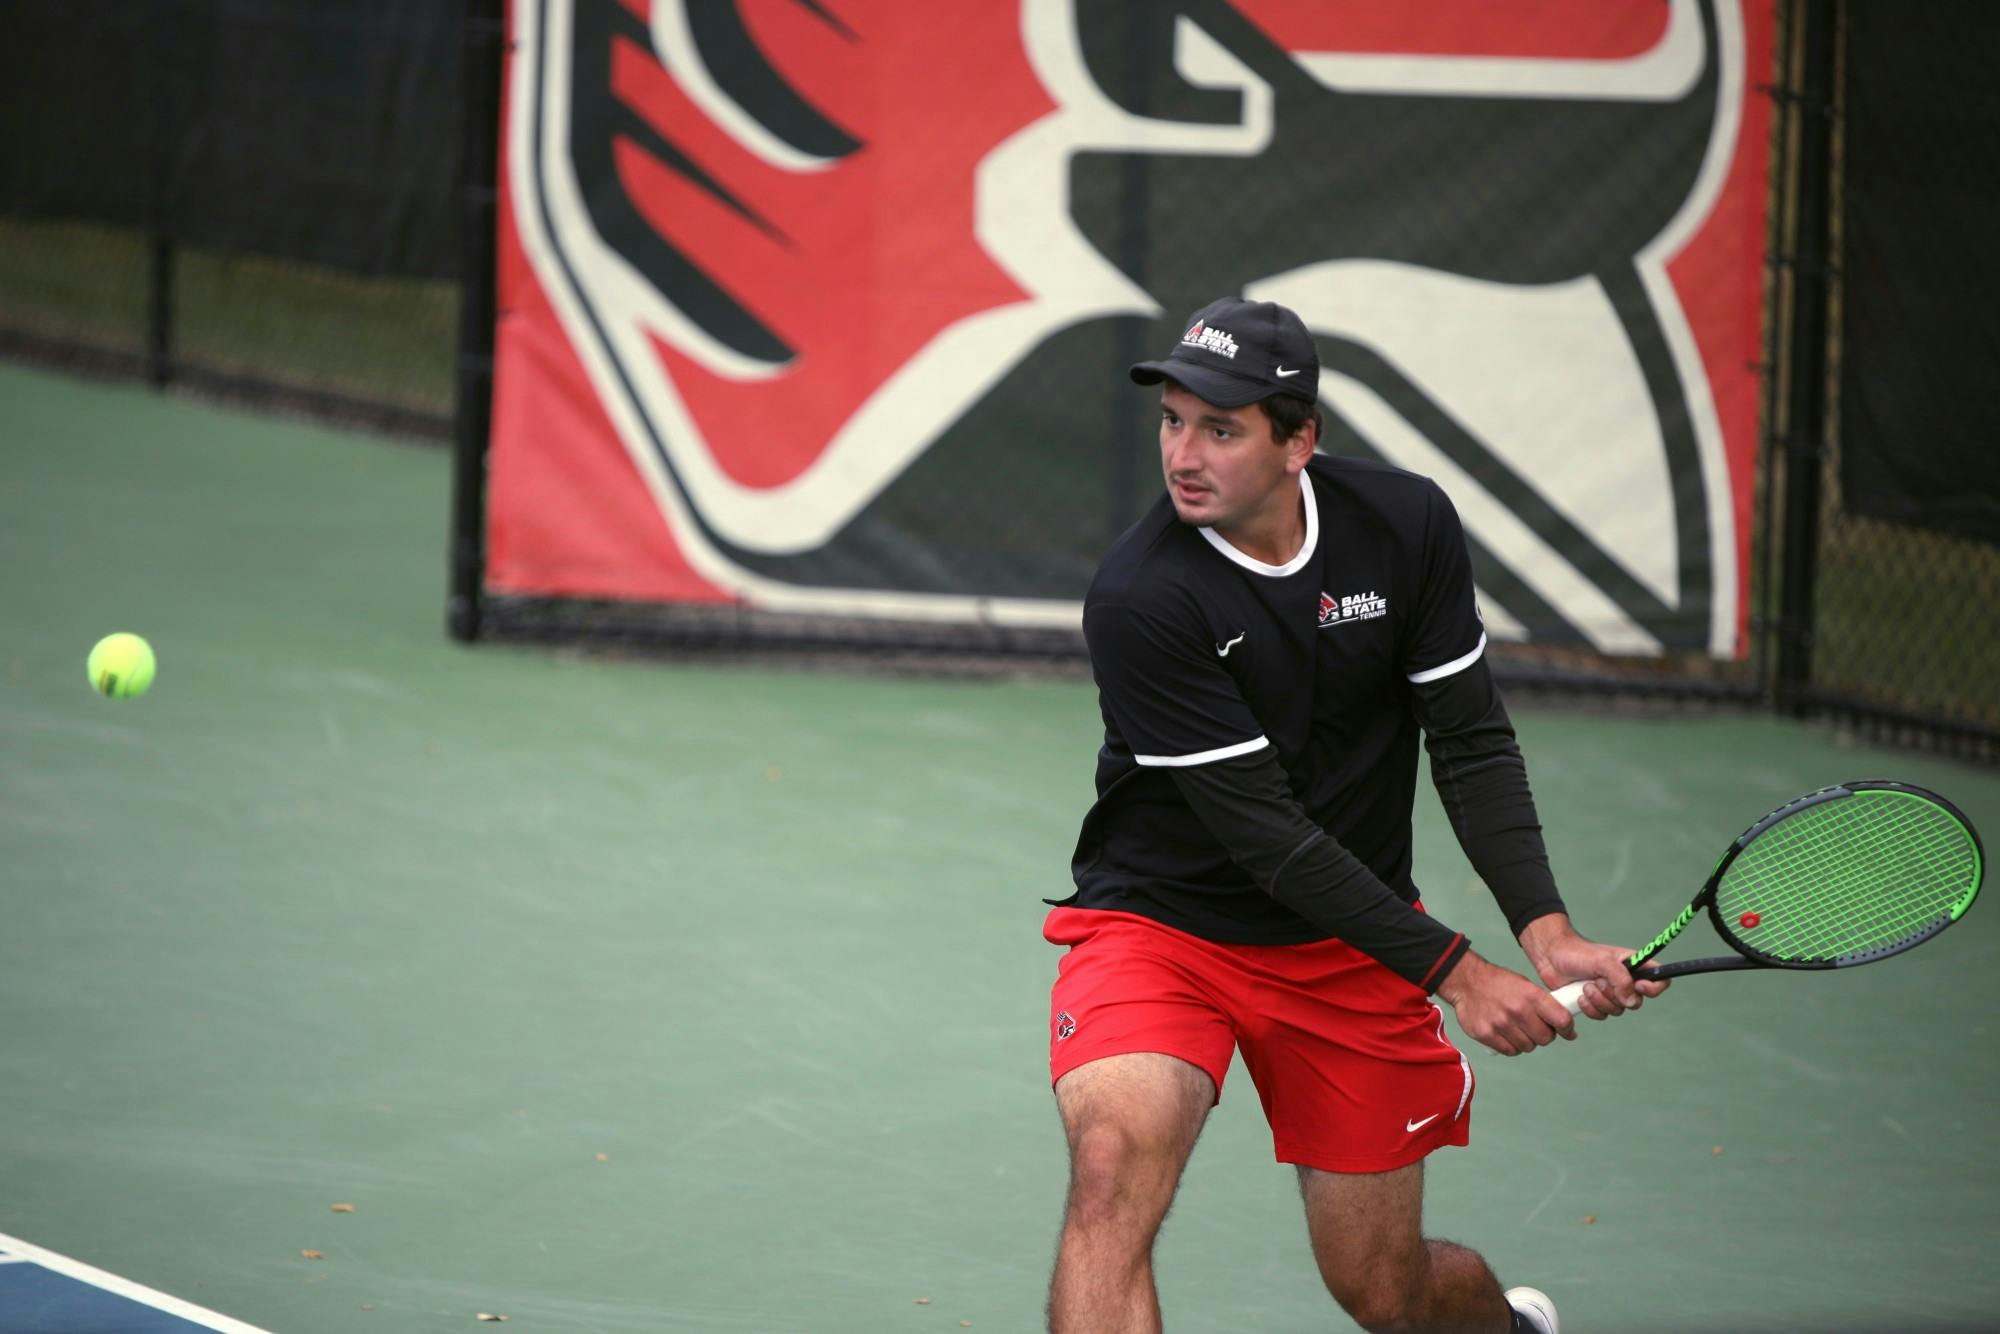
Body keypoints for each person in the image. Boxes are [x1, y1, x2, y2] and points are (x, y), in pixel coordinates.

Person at [1042, 296, 1668, 1334]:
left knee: (1386, 1291)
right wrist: (1461, 973)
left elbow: (1465, 737)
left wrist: (1544, 928)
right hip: (1160, 928)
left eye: (1221, 427)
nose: (1182, 453)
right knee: (1111, 1164)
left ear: (1299, 441)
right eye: (1172, 420)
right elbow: (1269, 837)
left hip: (1346, 944)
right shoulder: (1141, 595)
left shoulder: (1402, 524)